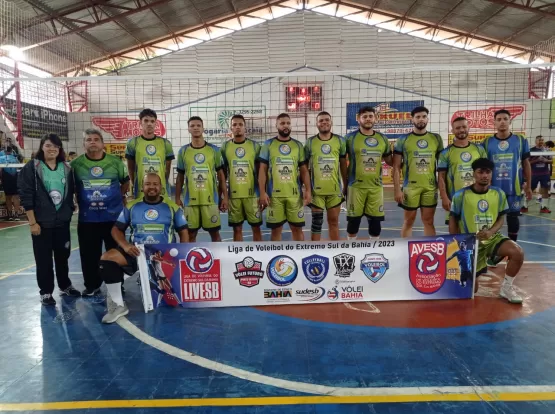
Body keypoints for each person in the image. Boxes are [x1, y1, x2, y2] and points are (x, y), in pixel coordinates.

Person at [99, 173, 188, 323]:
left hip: (162, 257)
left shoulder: (173, 208)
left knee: (171, 299)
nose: (151, 187)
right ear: (142, 187)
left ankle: (160, 284)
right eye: (148, 184)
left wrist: (180, 256)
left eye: (155, 184)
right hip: (137, 253)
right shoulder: (132, 206)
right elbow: (116, 229)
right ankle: (118, 304)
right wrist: (126, 246)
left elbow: (184, 232)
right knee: (107, 259)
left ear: (161, 187)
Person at [18, 134, 81, 305]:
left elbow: (72, 192)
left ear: (60, 149)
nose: (52, 149)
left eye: (55, 146)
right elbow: (26, 195)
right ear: (42, 147)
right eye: (48, 145)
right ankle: (45, 292)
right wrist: (32, 222)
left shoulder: (67, 168)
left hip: (62, 221)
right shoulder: (32, 167)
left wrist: (70, 210)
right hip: (41, 223)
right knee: (43, 259)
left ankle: (65, 285)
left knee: (63, 256)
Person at [449, 158, 524, 303]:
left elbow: (501, 218)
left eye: (488, 172)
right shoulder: (460, 196)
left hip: (492, 238)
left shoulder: (498, 193)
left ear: (492, 173)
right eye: (480, 172)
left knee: (517, 252)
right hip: (471, 243)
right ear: (474, 174)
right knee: (471, 291)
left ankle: (506, 288)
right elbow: (453, 219)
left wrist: (491, 232)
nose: (484, 175)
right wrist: (456, 242)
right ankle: (478, 266)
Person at [71, 129, 130, 296]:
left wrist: (119, 196)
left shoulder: (115, 162)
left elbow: (125, 182)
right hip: (87, 218)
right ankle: (92, 286)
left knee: (116, 253)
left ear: (102, 143)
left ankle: (117, 284)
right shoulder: (75, 164)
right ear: (84, 144)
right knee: (89, 255)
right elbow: (73, 187)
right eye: (88, 139)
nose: (92, 142)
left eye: (96, 139)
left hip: (113, 218)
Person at [258, 113, 311, 241]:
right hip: (274, 196)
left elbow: (304, 170)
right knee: (276, 230)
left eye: (288, 123)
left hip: (294, 195)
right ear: (276, 125)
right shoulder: (268, 144)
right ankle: (275, 259)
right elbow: (262, 170)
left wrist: (308, 190)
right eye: (282, 123)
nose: (285, 126)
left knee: (297, 229)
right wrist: (262, 192)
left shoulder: (298, 145)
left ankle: (299, 257)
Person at [482, 109, 532, 244]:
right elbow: (483, 167)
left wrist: (528, 185)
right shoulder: (486, 143)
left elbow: (526, 164)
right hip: (493, 189)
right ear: (494, 123)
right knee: (491, 220)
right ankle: (492, 251)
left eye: (505, 119)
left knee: (513, 219)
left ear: (510, 121)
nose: (502, 122)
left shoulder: (520, 140)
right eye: (499, 119)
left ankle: (512, 249)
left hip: (513, 188)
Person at [393, 106, 444, 237]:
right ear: (412, 119)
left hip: (430, 187)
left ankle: (431, 251)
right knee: (408, 221)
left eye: (424, 116)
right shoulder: (403, 139)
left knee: (429, 221)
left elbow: (442, 167)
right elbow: (396, 166)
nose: (421, 119)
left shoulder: (436, 138)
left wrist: (444, 190)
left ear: (428, 118)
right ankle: (405, 252)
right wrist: (397, 189)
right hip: (410, 187)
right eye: (418, 117)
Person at [175, 116, 228, 242]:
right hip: (190, 201)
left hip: (210, 200)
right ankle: (189, 261)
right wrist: (177, 198)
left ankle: (218, 260)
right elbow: (180, 177)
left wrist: (225, 197)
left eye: (198, 125)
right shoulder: (183, 151)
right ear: (188, 129)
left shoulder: (214, 150)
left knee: (215, 235)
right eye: (192, 126)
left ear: (203, 128)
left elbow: (221, 175)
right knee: (191, 235)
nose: (195, 128)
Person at [344, 107, 391, 240]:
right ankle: (351, 251)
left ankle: (373, 252)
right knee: (353, 222)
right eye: (365, 117)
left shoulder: (382, 139)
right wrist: (344, 183)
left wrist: (406, 160)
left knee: (375, 223)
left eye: (371, 116)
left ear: (375, 118)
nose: (368, 119)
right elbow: (341, 161)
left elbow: (390, 160)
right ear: (358, 119)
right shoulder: (349, 138)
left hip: (375, 187)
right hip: (355, 186)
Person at [220, 114, 263, 241]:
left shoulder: (255, 146)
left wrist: (262, 193)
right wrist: (224, 197)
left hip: (252, 195)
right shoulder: (225, 147)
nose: (237, 127)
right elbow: (222, 174)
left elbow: (261, 172)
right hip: (234, 196)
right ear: (231, 128)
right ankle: (238, 255)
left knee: (256, 228)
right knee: (237, 228)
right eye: (234, 125)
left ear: (245, 128)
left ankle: (258, 255)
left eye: (240, 124)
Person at [438, 116, 487, 224]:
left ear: (468, 128)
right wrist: (444, 197)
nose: (461, 130)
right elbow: (441, 177)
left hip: (477, 198)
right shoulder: (445, 153)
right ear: (453, 131)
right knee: (455, 235)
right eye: (458, 128)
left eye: (464, 127)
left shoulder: (479, 149)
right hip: (455, 199)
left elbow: (487, 174)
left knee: (477, 232)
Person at [125, 108, 174, 199]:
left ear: (156, 123)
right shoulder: (132, 143)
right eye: (146, 120)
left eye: (152, 121)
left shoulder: (165, 143)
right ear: (140, 122)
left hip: (161, 188)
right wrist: (135, 183)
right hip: (141, 189)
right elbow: (130, 168)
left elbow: (167, 169)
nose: (149, 124)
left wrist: (163, 182)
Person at [521, 135, 551, 213]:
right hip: (533, 174)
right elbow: (526, 163)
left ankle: (543, 207)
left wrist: (546, 161)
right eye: (539, 140)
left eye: (542, 140)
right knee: (529, 189)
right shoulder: (531, 150)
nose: (541, 141)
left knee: (545, 190)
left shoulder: (547, 150)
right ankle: (525, 206)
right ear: (536, 141)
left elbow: (551, 161)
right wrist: (536, 160)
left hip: (545, 173)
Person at [0, 145, 22, 221]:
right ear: (11, 151)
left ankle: (10, 215)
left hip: (6, 178)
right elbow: (19, 168)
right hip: (15, 178)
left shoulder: (1, 158)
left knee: (8, 197)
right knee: (16, 196)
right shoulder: (15, 159)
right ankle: (16, 214)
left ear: (4, 151)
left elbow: (0, 170)